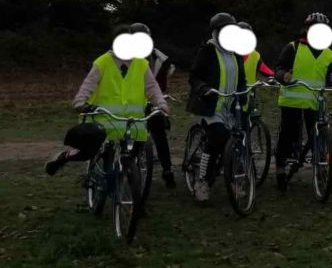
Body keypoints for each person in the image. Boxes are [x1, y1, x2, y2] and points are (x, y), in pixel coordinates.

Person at [45, 25, 169, 176]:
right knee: (90, 153)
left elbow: (152, 87)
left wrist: (161, 104)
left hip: (133, 122)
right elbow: (88, 85)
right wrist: (80, 102)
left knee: (134, 155)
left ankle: (130, 185)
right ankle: (64, 158)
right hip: (104, 120)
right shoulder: (102, 62)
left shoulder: (142, 64)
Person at [187, 13, 248, 202]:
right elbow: (194, 76)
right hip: (210, 108)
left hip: (230, 109)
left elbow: (242, 79)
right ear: (216, 33)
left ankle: (235, 180)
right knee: (217, 139)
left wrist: (244, 93)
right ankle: (202, 181)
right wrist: (203, 88)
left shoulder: (236, 53)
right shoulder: (207, 51)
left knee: (238, 143)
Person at [275, 12, 332, 191]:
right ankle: (280, 166)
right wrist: (283, 76)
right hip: (291, 101)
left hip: (315, 101)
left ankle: (320, 165)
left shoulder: (329, 54)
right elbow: (279, 68)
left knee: (316, 136)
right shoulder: (293, 48)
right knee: (288, 134)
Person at [130, 22, 176, 188]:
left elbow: (161, 84)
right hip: (131, 102)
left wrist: (159, 101)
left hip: (153, 100)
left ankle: (167, 170)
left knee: (159, 132)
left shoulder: (161, 59)